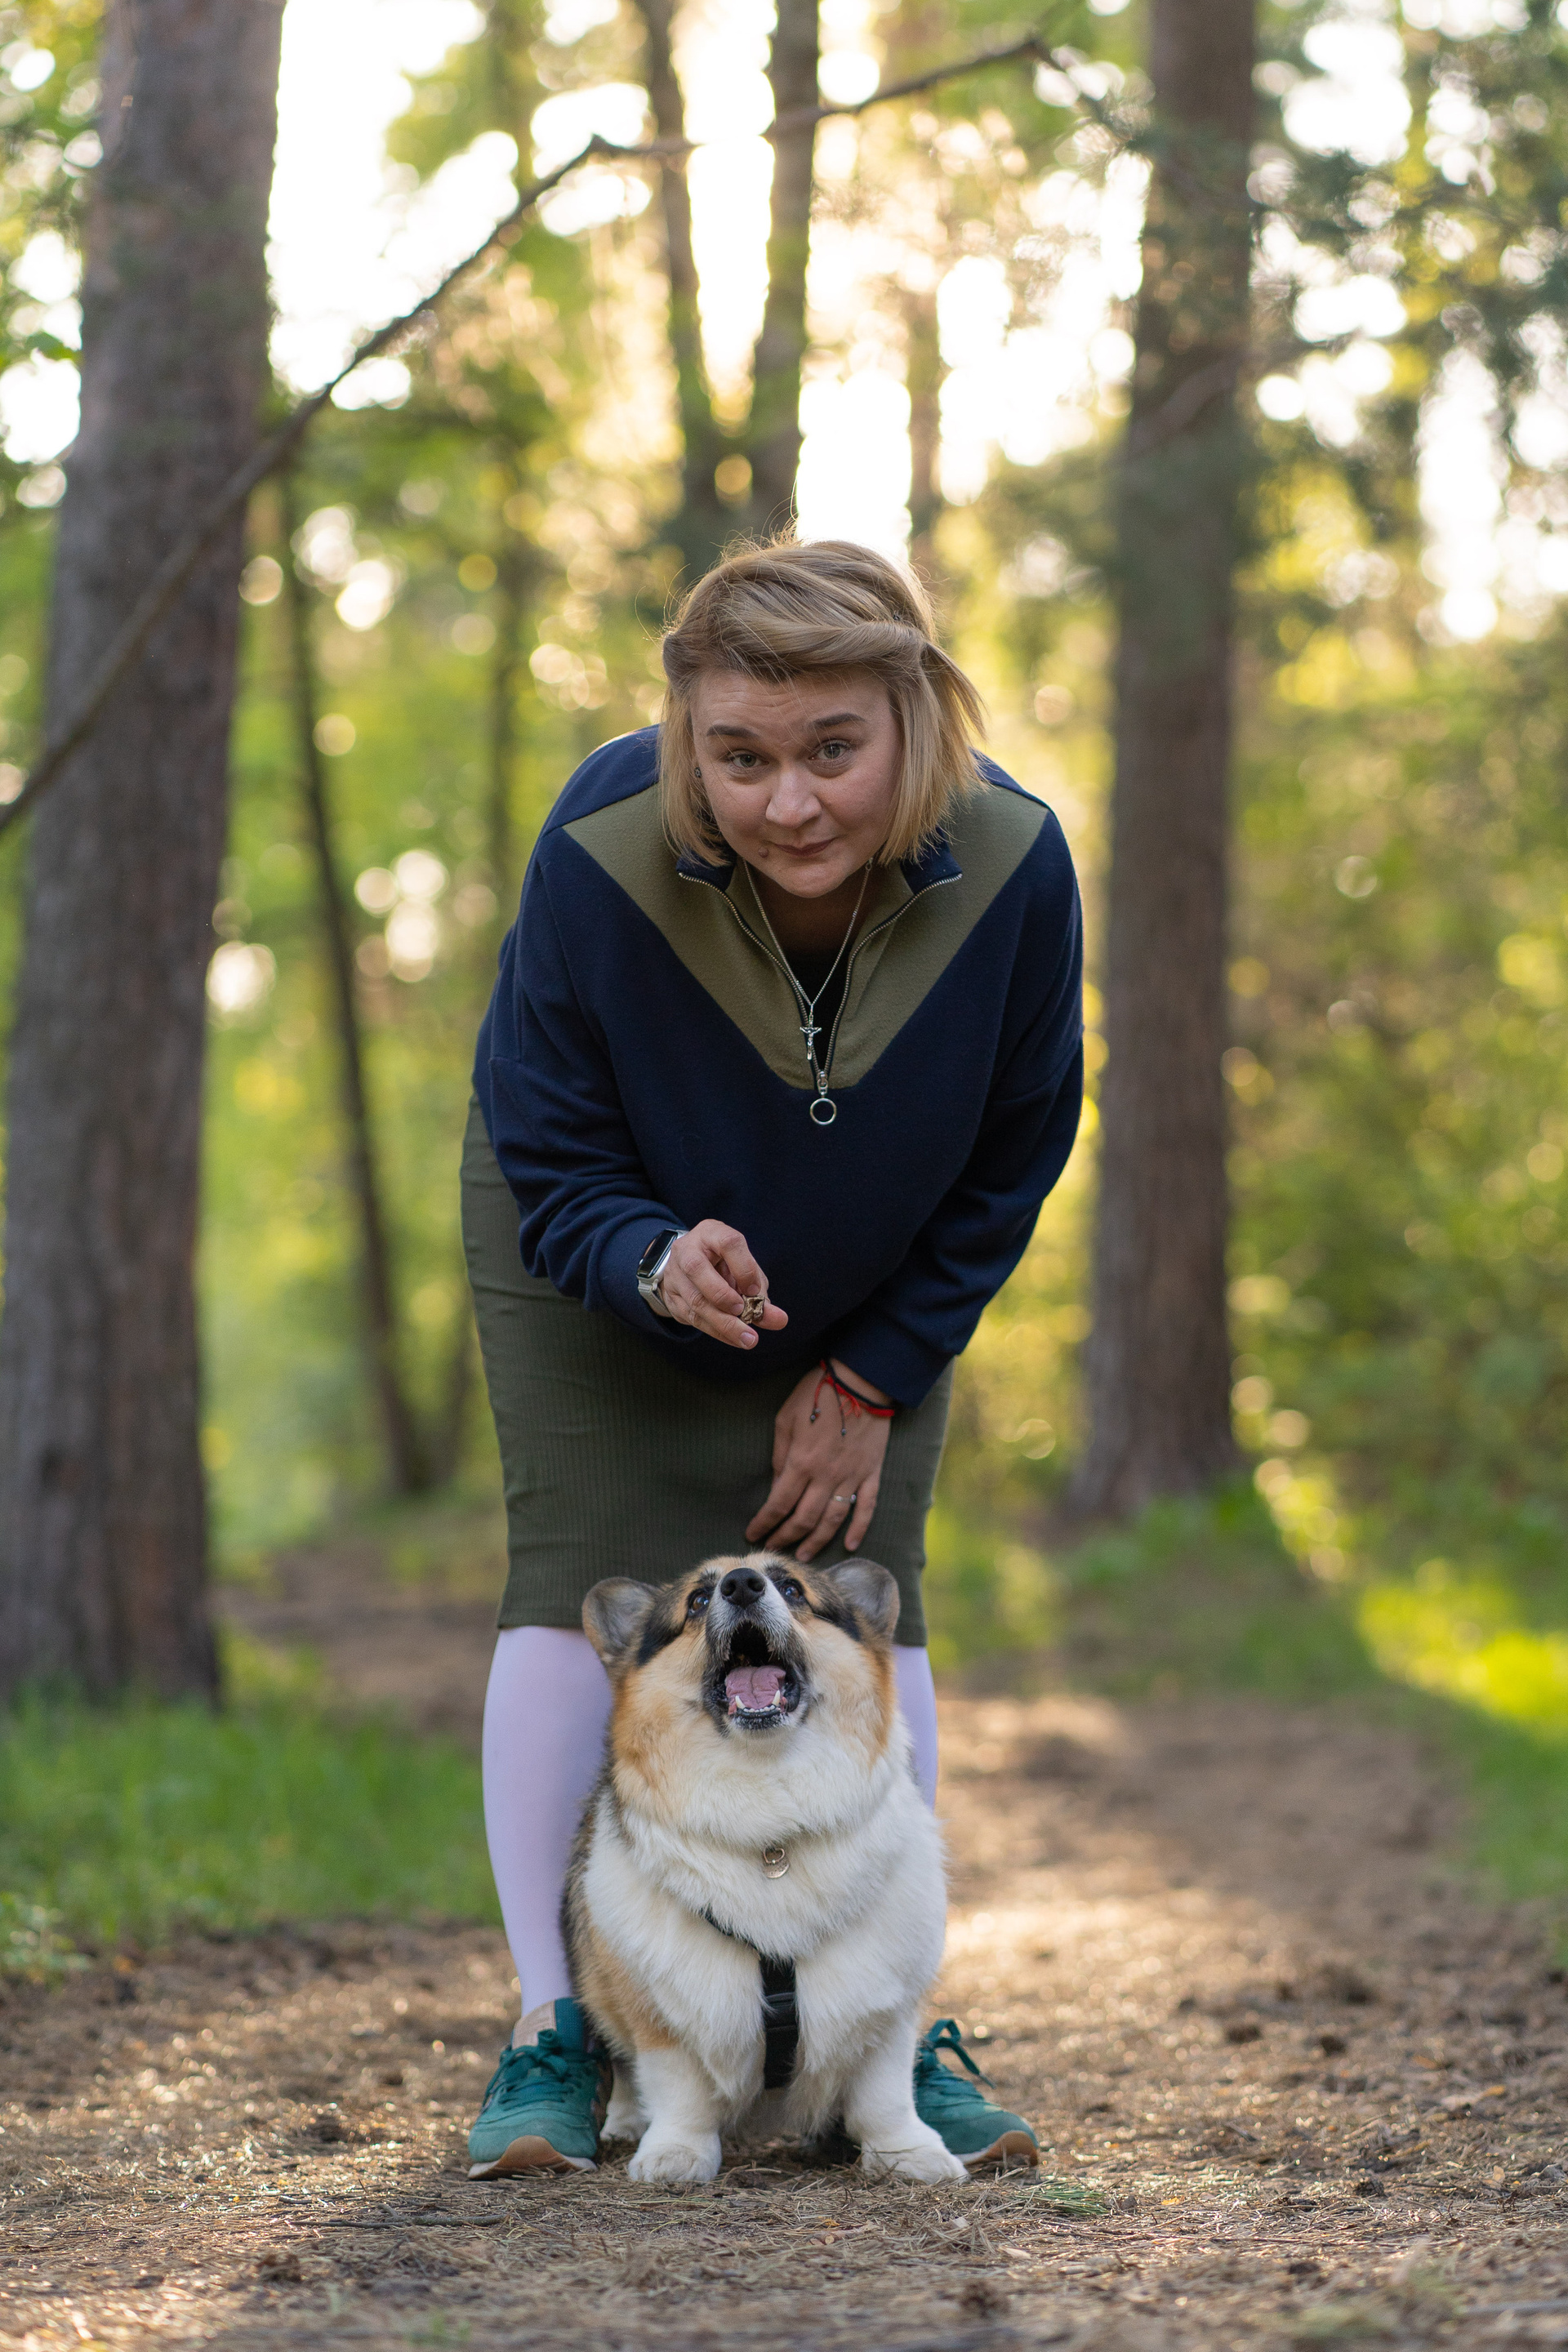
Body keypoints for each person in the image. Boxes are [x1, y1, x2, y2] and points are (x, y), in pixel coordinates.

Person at [460, 537, 1084, 2177]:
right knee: (576, 1575)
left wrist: (874, 1373)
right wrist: (648, 1258)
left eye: (832, 751)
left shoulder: (1018, 863)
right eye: (738, 757)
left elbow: (1015, 1152)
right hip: (594, 1242)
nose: (787, 802)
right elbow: (547, 1131)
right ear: (685, 734)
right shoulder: (599, 842)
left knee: (868, 1583)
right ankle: (558, 2027)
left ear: (916, 716)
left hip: (884, 1268)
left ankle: (888, 2035)